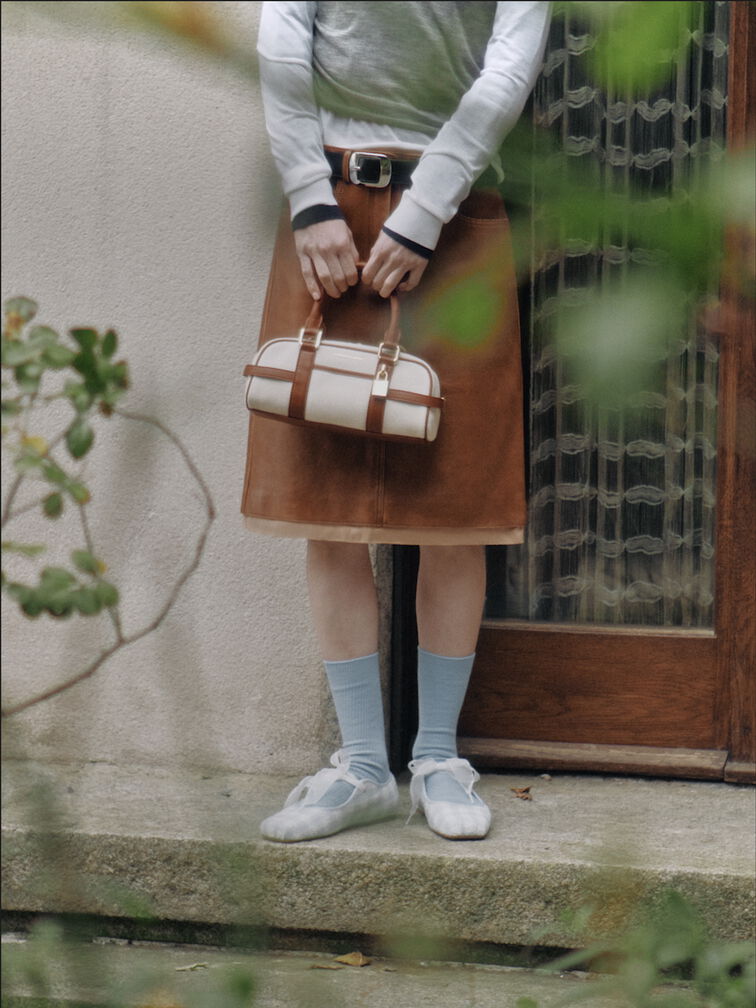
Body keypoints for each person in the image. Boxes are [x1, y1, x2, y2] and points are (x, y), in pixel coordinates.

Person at [242, 1, 551, 842]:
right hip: (328, 214)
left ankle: (439, 759)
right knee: (327, 506)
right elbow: (282, 39)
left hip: (456, 216)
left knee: (456, 510)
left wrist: (423, 213)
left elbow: (510, 65)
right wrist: (310, 201)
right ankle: (363, 768)